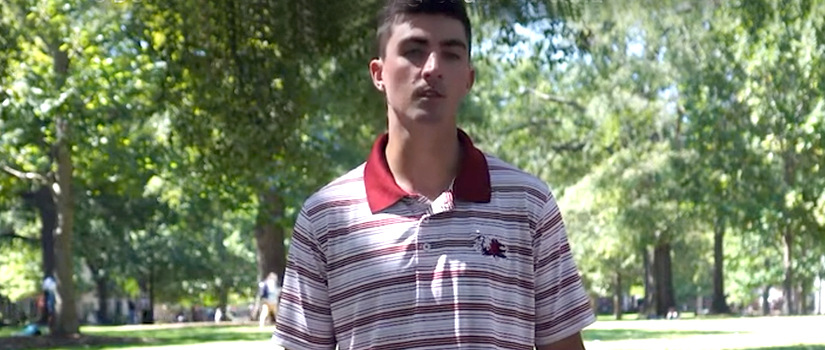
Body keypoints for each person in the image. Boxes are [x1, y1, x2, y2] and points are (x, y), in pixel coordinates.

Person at [272, 1, 595, 349]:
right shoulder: (326, 217)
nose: (432, 68)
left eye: (451, 54)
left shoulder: (528, 204)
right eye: (414, 51)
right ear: (378, 73)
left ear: (468, 78)